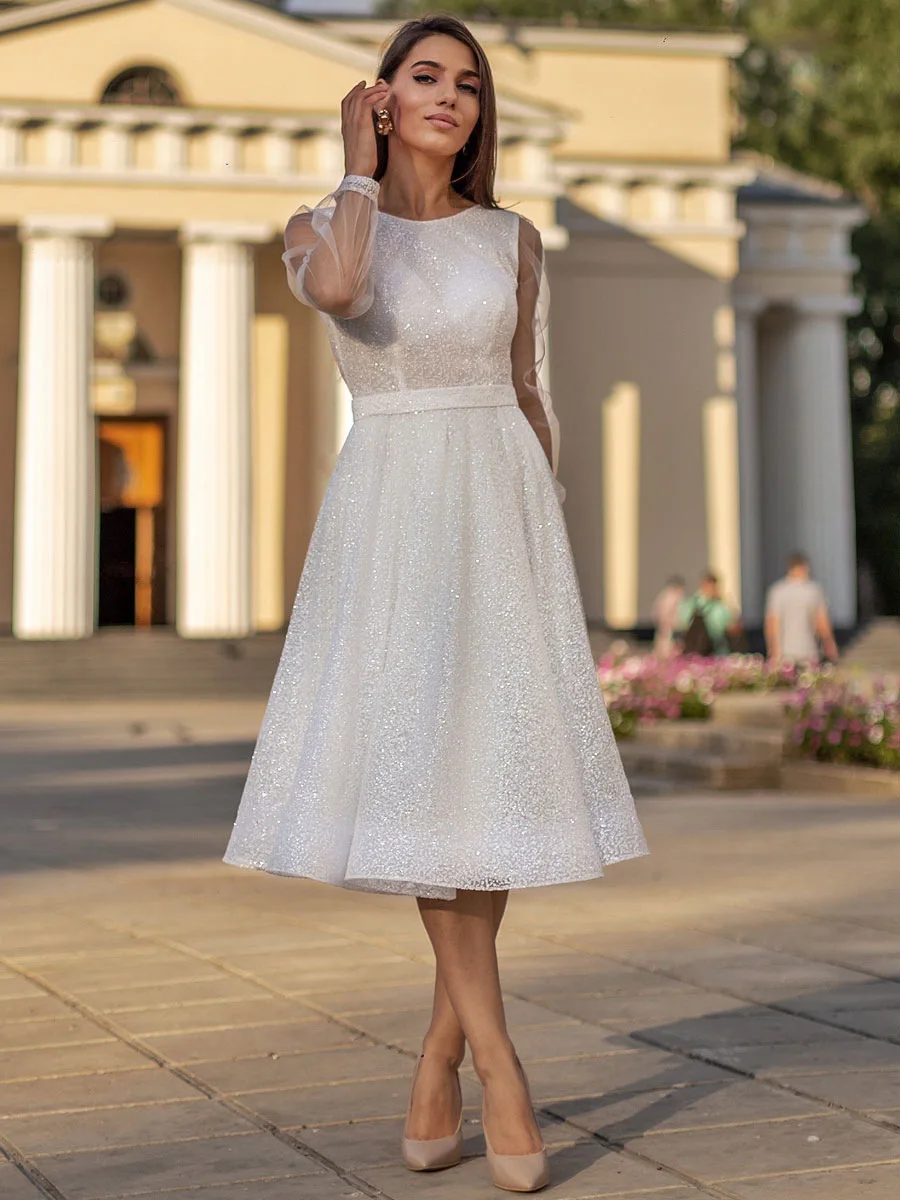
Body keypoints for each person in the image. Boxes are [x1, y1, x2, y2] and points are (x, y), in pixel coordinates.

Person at [222, 15, 648, 1194]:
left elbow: (525, 388)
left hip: (499, 502)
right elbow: (349, 289)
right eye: (426, 78)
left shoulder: (514, 238)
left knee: (489, 770)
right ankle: (500, 1063)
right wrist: (355, 170)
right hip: (396, 505)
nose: (450, 98)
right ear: (382, 97)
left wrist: (546, 529)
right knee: (423, 771)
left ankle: (437, 1053)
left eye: (469, 83)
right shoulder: (320, 228)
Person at [765, 552, 838, 664]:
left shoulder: (777, 591)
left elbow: (772, 623)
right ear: (805, 567)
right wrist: (829, 645)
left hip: (784, 652)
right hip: (808, 650)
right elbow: (822, 623)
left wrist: (773, 649)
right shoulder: (813, 590)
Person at [677, 571, 737, 657]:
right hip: (711, 650)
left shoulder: (692, 603)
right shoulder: (695, 604)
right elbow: (730, 627)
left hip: (702, 651)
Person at [652, 575, 685, 658]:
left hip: (671, 628)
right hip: (669, 629)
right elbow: (663, 614)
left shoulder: (665, 595)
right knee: (667, 650)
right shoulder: (671, 596)